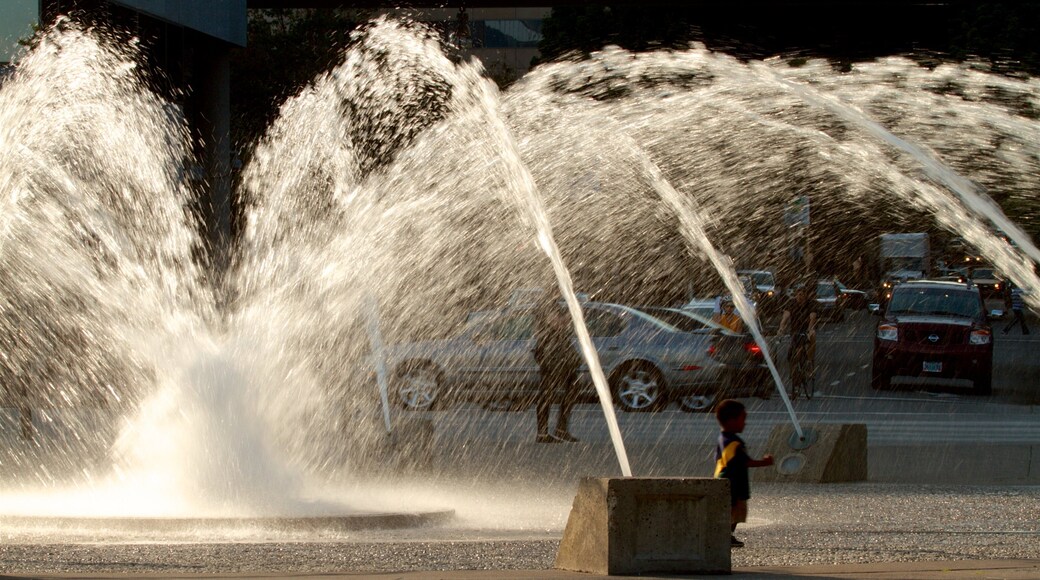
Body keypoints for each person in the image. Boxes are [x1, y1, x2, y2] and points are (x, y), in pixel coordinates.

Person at [714, 399, 774, 548]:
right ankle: (725, 536)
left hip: (727, 481)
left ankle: (727, 535)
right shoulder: (733, 443)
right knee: (733, 511)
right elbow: (744, 462)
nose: (745, 423)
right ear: (731, 421)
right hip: (733, 484)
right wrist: (765, 463)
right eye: (743, 419)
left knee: (734, 512)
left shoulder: (723, 439)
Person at [532, 298, 582, 443]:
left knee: (572, 391)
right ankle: (542, 434)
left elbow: (567, 347)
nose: (564, 321)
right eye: (559, 317)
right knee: (546, 396)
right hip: (552, 365)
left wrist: (576, 360)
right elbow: (543, 351)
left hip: (564, 365)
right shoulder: (547, 331)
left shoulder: (560, 330)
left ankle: (561, 429)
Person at [778, 284, 818, 383]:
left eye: (803, 294)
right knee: (793, 353)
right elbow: (785, 317)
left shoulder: (811, 304)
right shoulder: (791, 303)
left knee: (812, 336)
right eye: (799, 294)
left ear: (806, 295)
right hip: (795, 330)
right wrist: (781, 328)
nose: (800, 297)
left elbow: (812, 318)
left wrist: (809, 330)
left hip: (806, 329)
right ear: (796, 295)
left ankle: (809, 361)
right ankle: (794, 372)